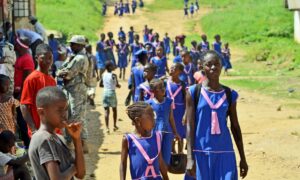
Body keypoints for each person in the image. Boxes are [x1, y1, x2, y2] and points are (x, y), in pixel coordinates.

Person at [185, 51, 248, 179]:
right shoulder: (194, 92)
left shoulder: (230, 94)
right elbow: (190, 126)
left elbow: (235, 127)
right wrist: (190, 158)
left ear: (221, 66)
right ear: (202, 67)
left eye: (217, 64)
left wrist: (243, 158)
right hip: (201, 152)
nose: (214, 67)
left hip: (225, 152)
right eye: (209, 64)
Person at [28, 87, 86, 180]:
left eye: (66, 109)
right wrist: (74, 168)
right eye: (59, 110)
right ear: (42, 112)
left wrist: (77, 139)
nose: (64, 114)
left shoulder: (58, 138)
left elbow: (81, 174)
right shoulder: (44, 139)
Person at [120, 102, 169, 180]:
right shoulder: (128, 139)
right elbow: (123, 164)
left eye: (154, 116)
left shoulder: (157, 136)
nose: (154, 120)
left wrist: (166, 178)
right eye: (151, 117)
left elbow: (160, 161)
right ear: (138, 120)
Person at [57, 35, 89, 153]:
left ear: (80, 45)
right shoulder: (74, 56)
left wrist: (60, 72)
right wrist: (61, 70)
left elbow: (67, 74)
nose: (70, 46)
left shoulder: (80, 58)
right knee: (73, 115)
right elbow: (61, 70)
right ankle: (77, 143)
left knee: (76, 116)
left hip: (77, 89)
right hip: (72, 89)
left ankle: (80, 144)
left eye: (73, 44)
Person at [20, 44, 56, 138]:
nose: (48, 61)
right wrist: (33, 130)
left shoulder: (52, 80)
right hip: (38, 132)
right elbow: (24, 106)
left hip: (53, 130)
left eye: (50, 58)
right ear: (36, 58)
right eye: (43, 58)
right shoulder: (31, 79)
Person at [147, 79, 181, 166]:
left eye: (163, 87)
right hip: (154, 133)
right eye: (160, 88)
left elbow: (171, 118)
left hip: (167, 132)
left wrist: (175, 132)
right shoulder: (149, 104)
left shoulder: (169, 101)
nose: (163, 89)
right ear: (153, 91)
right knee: (155, 155)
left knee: (166, 156)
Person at [14, 37, 34, 148]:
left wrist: (21, 94)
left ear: (21, 46)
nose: (15, 46)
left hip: (22, 96)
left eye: (16, 44)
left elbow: (27, 79)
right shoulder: (21, 57)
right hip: (18, 94)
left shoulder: (26, 59)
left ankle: (29, 146)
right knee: (20, 122)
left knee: (23, 122)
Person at [166, 63, 186, 154]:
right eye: (171, 67)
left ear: (180, 72)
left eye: (174, 68)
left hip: (179, 111)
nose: (171, 69)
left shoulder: (182, 84)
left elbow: (186, 100)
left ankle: (180, 153)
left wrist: (185, 114)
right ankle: (172, 152)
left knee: (180, 132)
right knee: (170, 131)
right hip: (169, 111)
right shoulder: (165, 82)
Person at [100, 61, 121, 133]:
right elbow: (117, 85)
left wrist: (106, 85)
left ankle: (107, 128)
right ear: (109, 67)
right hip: (112, 93)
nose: (113, 67)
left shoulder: (103, 74)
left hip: (105, 92)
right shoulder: (113, 75)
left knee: (106, 111)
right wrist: (118, 86)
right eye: (112, 66)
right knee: (114, 110)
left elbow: (100, 85)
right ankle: (114, 125)